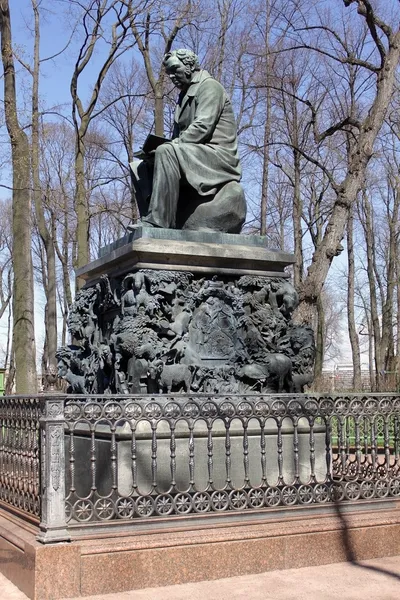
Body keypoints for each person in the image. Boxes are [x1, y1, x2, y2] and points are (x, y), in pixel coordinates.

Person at [130, 49, 244, 230]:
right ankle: (152, 217)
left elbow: (202, 127)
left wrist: (171, 145)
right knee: (139, 167)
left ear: (190, 65)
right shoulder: (183, 96)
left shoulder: (209, 87)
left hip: (218, 156)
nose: (172, 76)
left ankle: (158, 222)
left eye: (175, 69)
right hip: (194, 152)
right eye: (169, 73)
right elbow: (179, 137)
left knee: (166, 151)